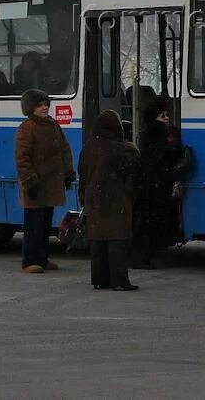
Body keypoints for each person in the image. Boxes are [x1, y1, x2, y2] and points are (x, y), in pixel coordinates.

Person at [79, 109, 141, 291]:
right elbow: (132, 168)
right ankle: (119, 280)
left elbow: (83, 175)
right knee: (117, 238)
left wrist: (84, 196)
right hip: (115, 199)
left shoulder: (88, 147)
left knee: (97, 239)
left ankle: (99, 279)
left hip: (93, 198)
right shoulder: (118, 149)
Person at [14, 89, 75, 273]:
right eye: (39, 105)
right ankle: (30, 260)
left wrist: (68, 172)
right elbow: (22, 158)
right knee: (33, 224)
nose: (44, 108)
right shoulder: (27, 128)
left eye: (46, 104)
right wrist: (29, 181)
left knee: (45, 223)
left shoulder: (53, 125)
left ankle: (43, 258)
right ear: (30, 108)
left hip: (50, 183)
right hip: (35, 184)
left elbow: (64, 149)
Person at [131, 96, 191, 268]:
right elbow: (161, 160)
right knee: (150, 223)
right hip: (154, 187)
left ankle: (140, 256)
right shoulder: (157, 134)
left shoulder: (149, 134)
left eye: (167, 115)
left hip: (150, 186)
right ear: (154, 118)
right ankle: (142, 257)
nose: (166, 118)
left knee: (146, 223)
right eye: (162, 116)